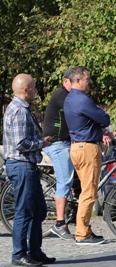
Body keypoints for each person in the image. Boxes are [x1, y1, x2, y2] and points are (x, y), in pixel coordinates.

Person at [4, 73, 55, 266]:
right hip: (22, 165)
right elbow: (20, 144)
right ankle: (19, 254)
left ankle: (34, 250)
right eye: (34, 87)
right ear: (26, 89)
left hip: (28, 165)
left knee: (39, 210)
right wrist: (41, 143)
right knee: (24, 211)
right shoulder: (18, 110)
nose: (36, 90)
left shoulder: (21, 108)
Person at [64, 66, 116, 245]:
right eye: (88, 79)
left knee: (85, 191)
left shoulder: (70, 98)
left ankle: (86, 229)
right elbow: (104, 118)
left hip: (76, 147)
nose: (90, 82)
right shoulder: (82, 99)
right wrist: (102, 125)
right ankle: (82, 233)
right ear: (78, 80)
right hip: (87, 148)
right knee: (89, 192)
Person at [41, 68, 75, 240]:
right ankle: (59, 224)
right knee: (65, 180)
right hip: (56, 143)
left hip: (67, 142)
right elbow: (81, 113)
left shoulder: (72, 95)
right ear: (66, 82)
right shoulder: (62, 96)